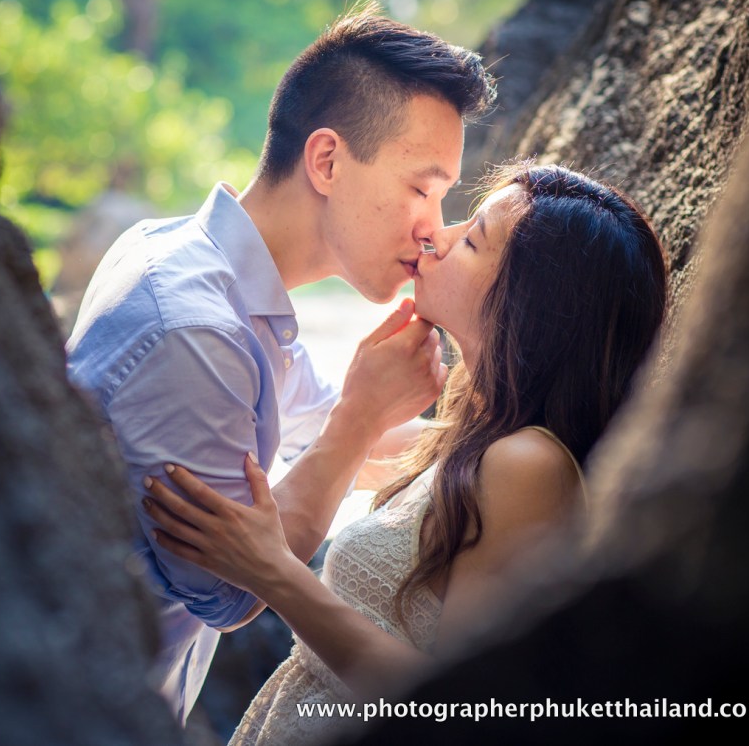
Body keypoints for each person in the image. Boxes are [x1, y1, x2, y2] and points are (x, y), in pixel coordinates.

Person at [65, 2, 496, 723]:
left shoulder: (221, 279)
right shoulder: (196, 331)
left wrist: (517, 438)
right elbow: (226, 590)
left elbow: (337, 438)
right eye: (422, 187)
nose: (432, 226)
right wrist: (359, 419)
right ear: (326, 160)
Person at [141, 163, 670, 744]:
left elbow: (466, 711)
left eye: (471, 239)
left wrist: (274, 572)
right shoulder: (472, 439)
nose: (435, 237)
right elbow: (344, 447)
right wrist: (361, 408)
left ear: (532, 305)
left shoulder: (528, 466)